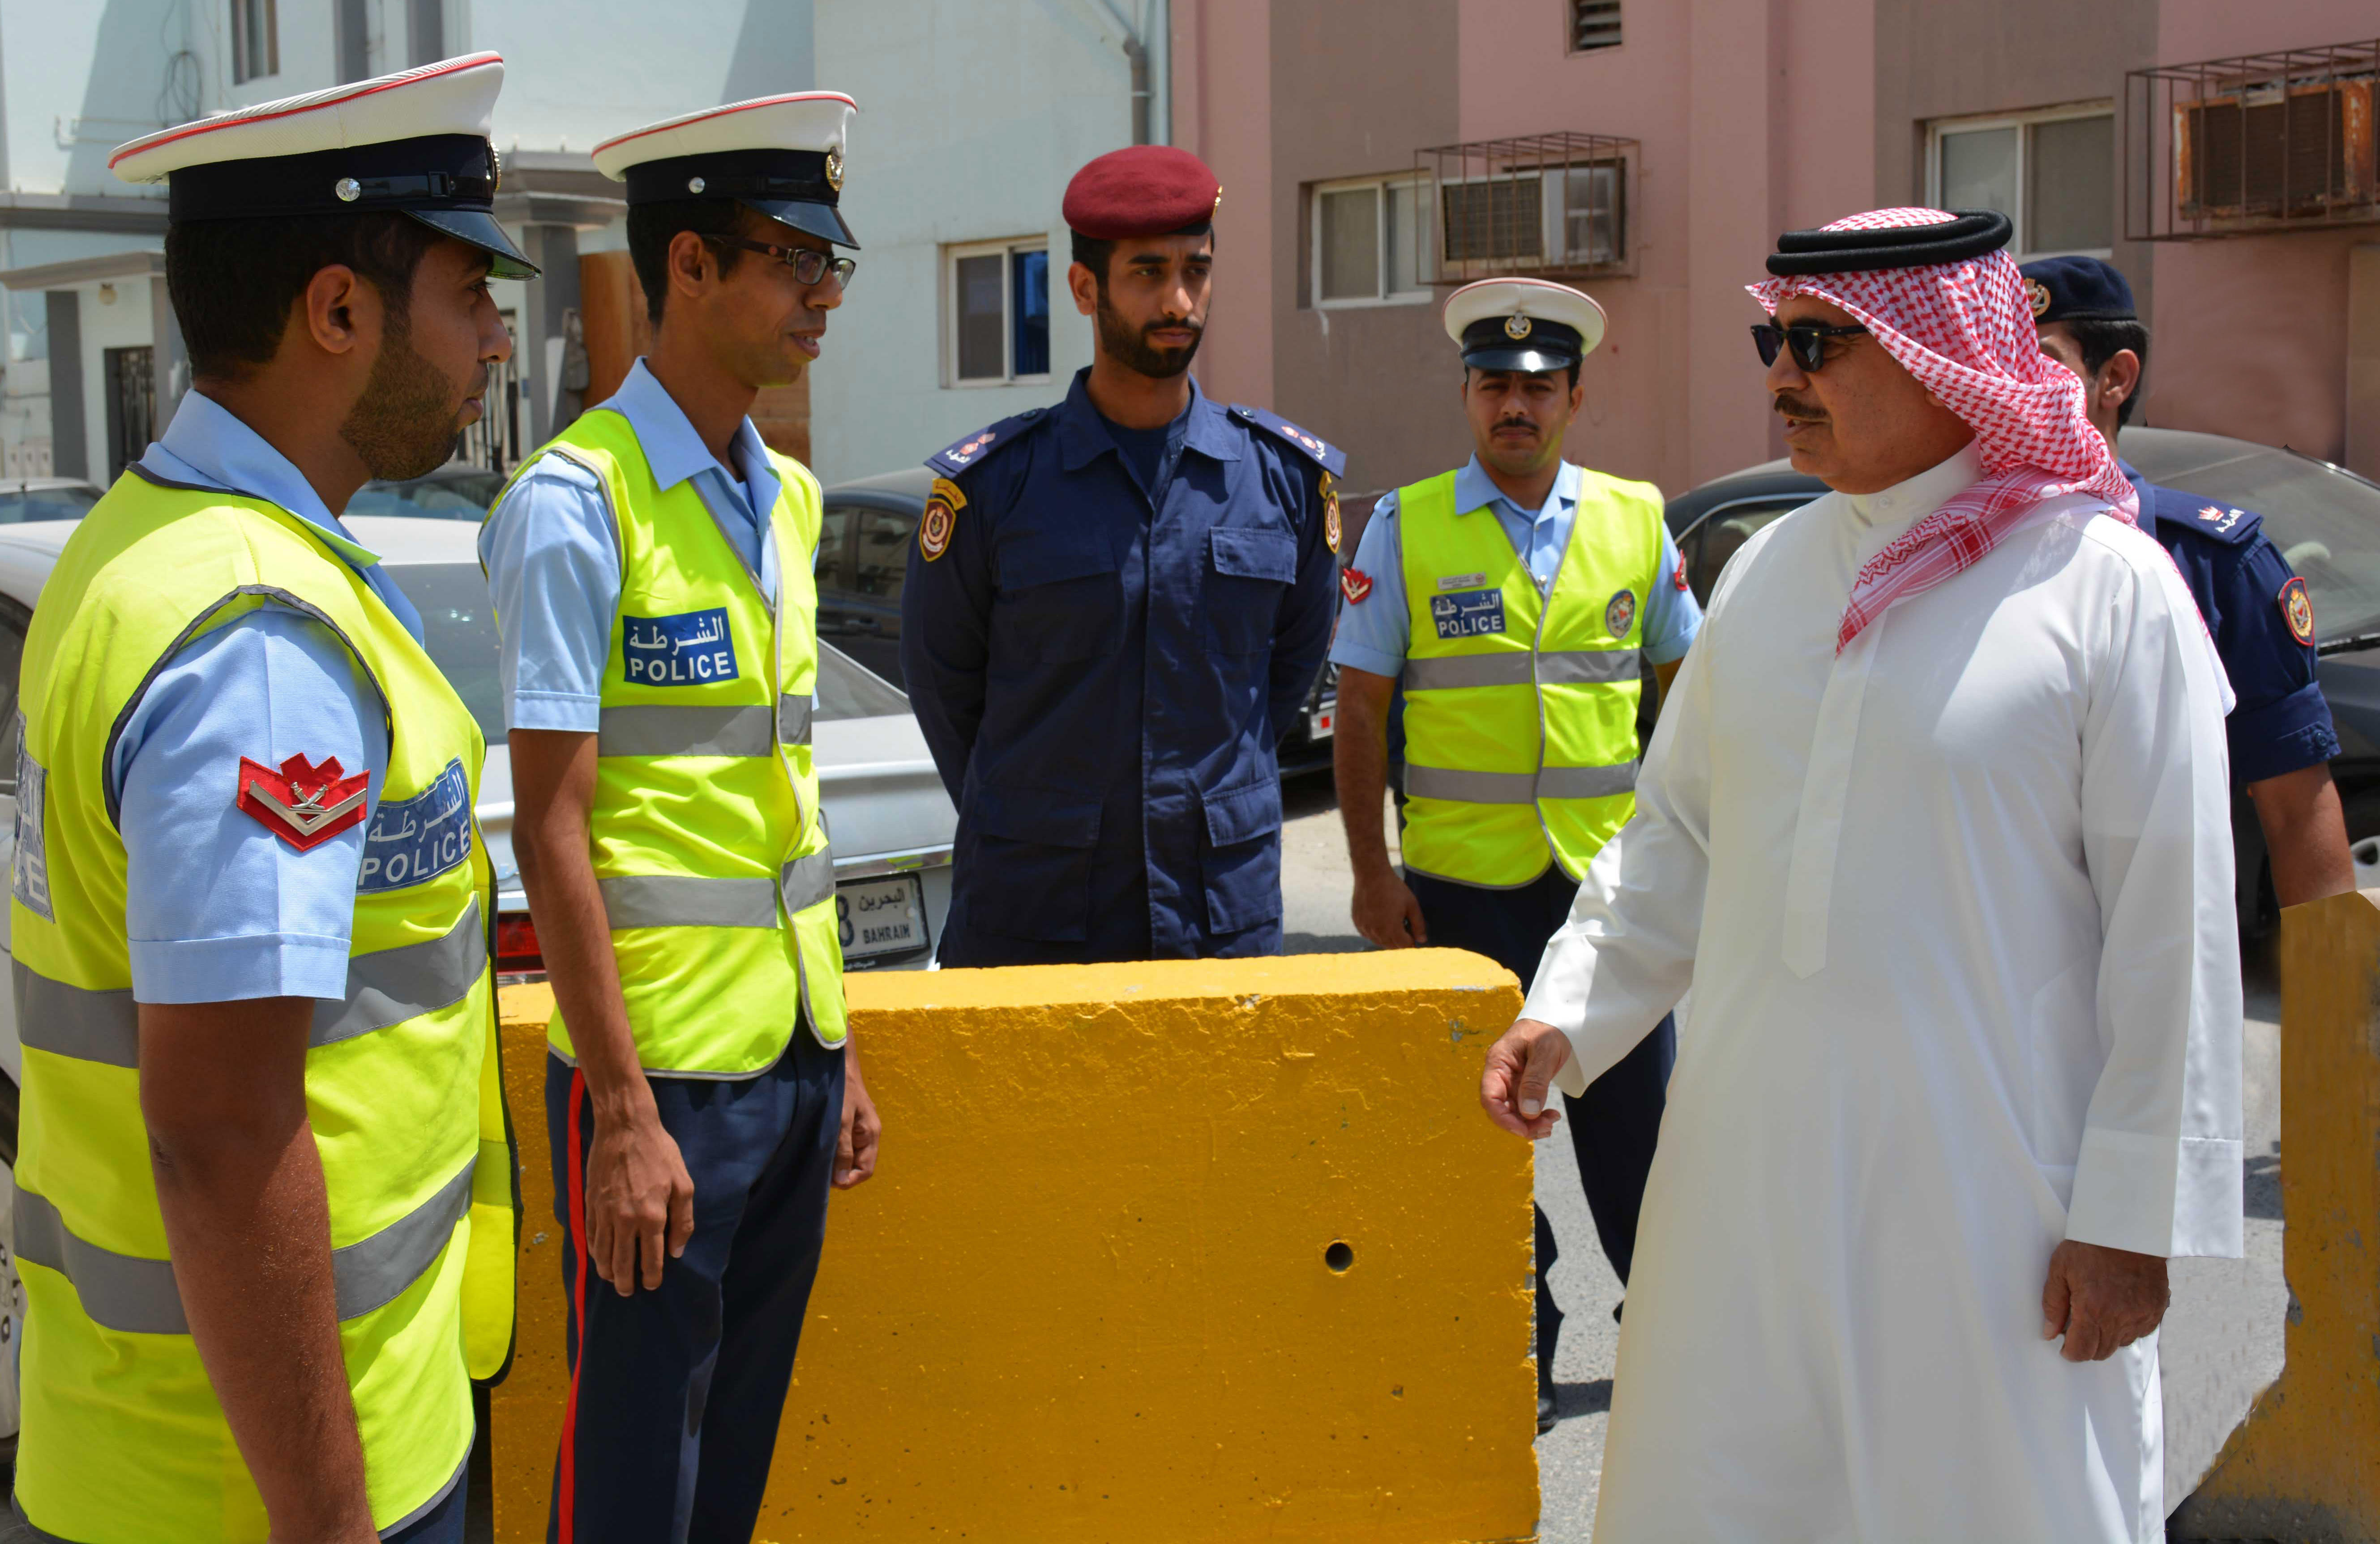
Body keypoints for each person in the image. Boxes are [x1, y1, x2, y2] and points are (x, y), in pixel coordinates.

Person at [1479, 208, 2241, 1540]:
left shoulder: (2102, 587)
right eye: (1772, 339)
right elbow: (1677, 837)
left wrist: (2133, 1219)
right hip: (1744, 1189)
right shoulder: (1771, 572)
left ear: (1943, 357)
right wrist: (1569, 1013)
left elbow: (2171, 928)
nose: (1782, 375)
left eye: (1820, 345)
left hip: (1990, 1211)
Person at [9, 55, 531, 1544]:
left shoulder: (141, 547)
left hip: (183, 1450)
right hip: (267, 1491)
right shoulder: (253, 638)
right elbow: (225, 1130)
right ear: (339, 312)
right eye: (469, 291)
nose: (498, 337)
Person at [478, 92, 879, 1544]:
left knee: (737, 1470)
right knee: (636, 1479)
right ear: (691, 268)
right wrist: (625, 1117)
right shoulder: (575, 503)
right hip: (657, 1087)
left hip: (786, 1067)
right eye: (792, 260)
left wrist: (841, 1045)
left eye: (833, 262)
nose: (824, 295)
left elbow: (778, 801)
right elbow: (552, 827)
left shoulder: (783, 498)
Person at [1329, 277, 1699, 1433]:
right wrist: (1369, 872)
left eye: (1538, 388)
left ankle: (1673, 1351)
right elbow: (1359, 706)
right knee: (1481, 1152)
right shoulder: (1407, 526)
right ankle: (1516, 1343)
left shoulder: (1637, 521)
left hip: (1606, 897)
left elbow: (1685, 697)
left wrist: (1690, 855)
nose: (1515, 407)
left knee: (1640, 1137)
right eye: (1495, 386)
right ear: (1467, 396)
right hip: (1457, 894)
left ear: (1574, 398)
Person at [899, 145, 1340, 966]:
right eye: (1148, 273)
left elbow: (1285, 679)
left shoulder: (1279, 484)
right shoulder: (995, 490)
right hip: (1037, 922)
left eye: (1196, 271)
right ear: (1083, 288)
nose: (1179, 300)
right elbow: (943, 686)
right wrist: (1038, 812)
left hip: (1219, 925)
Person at [2021, 254, 2353, 908]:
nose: (2010, 385)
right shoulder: (1944, 553)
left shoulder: (2215, 566)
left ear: (2113, 378)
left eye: (2039, 361)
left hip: (2163, 979)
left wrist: (2333, 1009)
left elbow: (2296, 815)